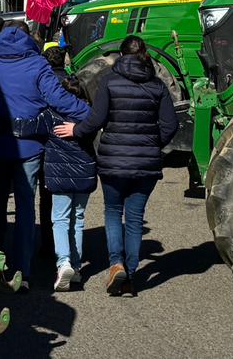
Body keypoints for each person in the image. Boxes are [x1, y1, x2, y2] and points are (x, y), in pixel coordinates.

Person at [60, 34, 177, 296]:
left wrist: (75, 130)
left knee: (113, 212)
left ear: (121, 56)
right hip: (146, 163)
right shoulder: (158, 86)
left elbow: (96, 120)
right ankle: (130, 276)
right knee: (134, 219)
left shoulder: (110, 82)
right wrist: (152, 144)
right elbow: (171, 125)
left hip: (113, 161)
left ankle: (116, 264)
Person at [0, 23, 89, 285]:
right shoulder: (38, 65)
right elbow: (59, 99)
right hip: (28, 146)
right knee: (25, 208)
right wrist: (89, 114)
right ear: (30, 39)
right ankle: (22, 270)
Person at [14, 58, 95, 291]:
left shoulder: (50, 116)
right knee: (77, 219)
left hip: (59, 174)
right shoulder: (89, 116)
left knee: (59, 219)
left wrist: (1, 121)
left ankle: (64, 263)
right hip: (85, 173)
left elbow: (24, 127)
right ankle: (77, 267)